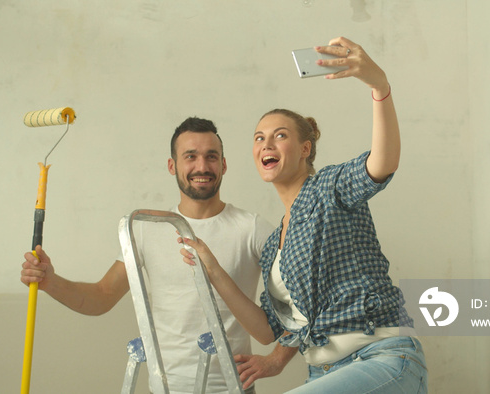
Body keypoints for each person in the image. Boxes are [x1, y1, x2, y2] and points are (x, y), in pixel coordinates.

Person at [180, 37, 427, 393]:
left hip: (380, 359)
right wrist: (213, 270)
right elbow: (269, 330)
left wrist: (379, 86)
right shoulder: (272, 247)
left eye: (279, 136)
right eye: (258, 138)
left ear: (304, 149)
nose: (266, 144)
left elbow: (382, 163)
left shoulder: (329, 188)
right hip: (323, 373)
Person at [21, 117, 298, 394]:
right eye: (190, 157)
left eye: (211, 157)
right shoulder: (147, 230)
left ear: (223, 165)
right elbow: (101, 296)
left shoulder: (251, 228)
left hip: (231, 389)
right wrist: (50, 282)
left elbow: (305, 298)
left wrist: (276, 361)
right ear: (172, 165)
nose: (202, 167)